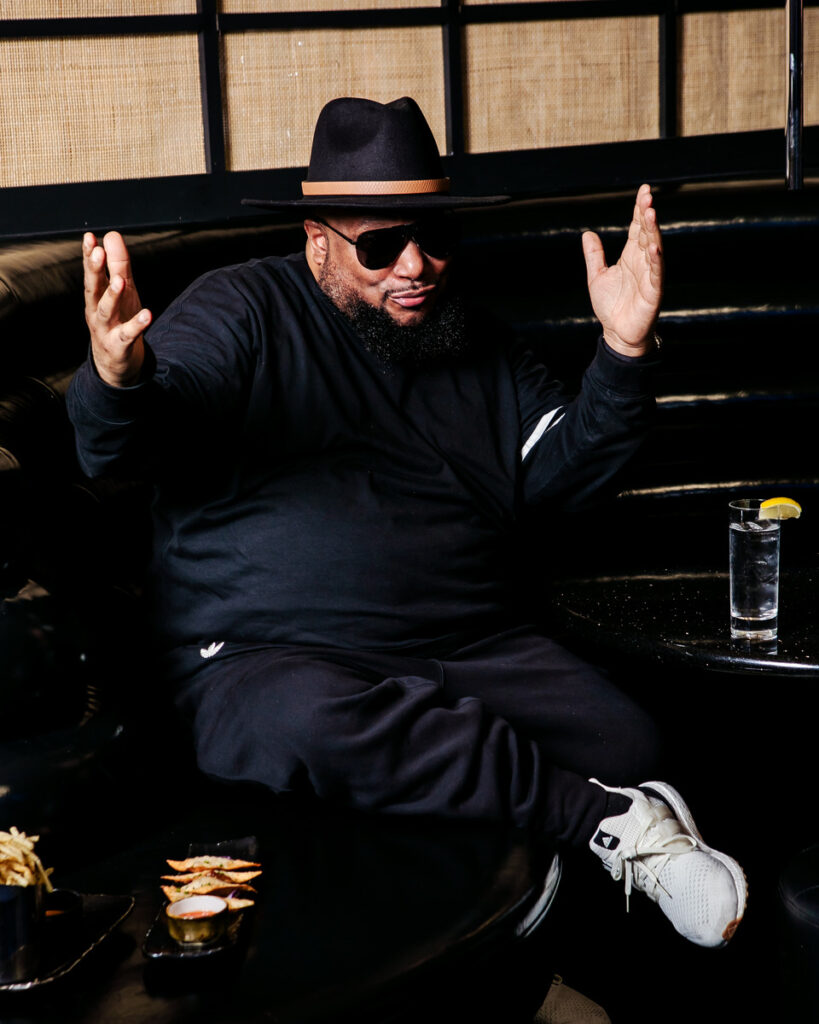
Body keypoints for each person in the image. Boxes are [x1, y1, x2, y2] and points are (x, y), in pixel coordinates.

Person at [67, 96, 746, 949]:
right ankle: (606, 823)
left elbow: (564, 477)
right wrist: (118, 376)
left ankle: (533, 877)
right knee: (304, 723)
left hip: (466, 643)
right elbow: (132, 438)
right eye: (380, 246)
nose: (415, 266)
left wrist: (622, 354)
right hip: (272, 654)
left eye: (433, 237)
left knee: (628, 733)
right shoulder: (239, 310)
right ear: (316, 239)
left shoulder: (475, 337)